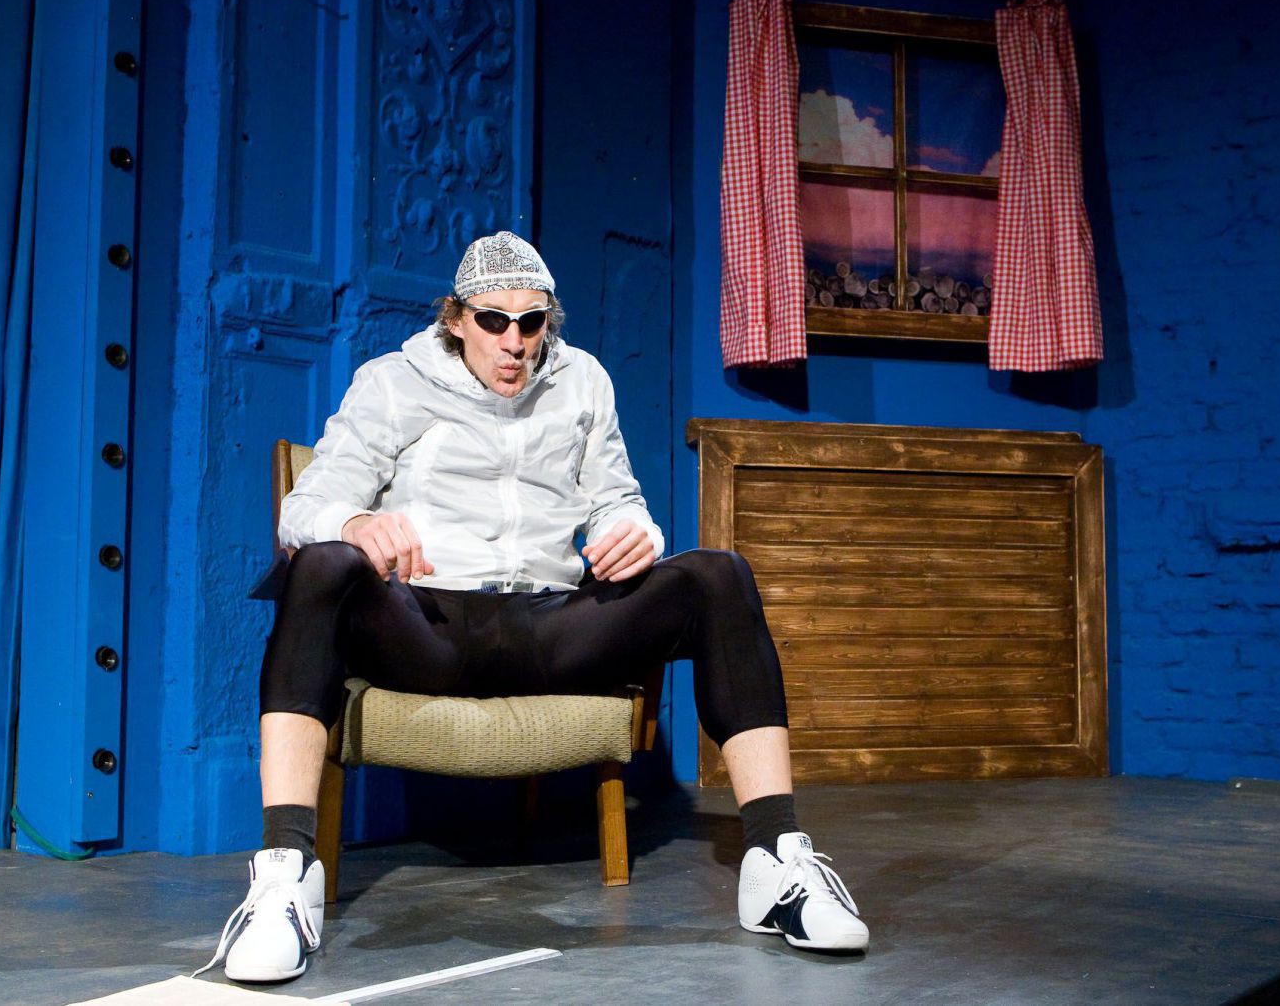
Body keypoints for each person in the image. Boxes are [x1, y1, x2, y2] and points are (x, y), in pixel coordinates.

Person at [197, 232, 867, 984]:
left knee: (719, 574)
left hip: (551, 626)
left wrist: (636, 532)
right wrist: (354, 524)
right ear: (456, 319)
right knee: (320, 562)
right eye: (493, 321)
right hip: (431, 628)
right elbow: (304, 508)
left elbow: (618, 499)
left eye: (531, 322)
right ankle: (284, 877)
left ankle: (778, 862)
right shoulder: (391, 383)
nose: (513, 343)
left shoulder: (583, 382)